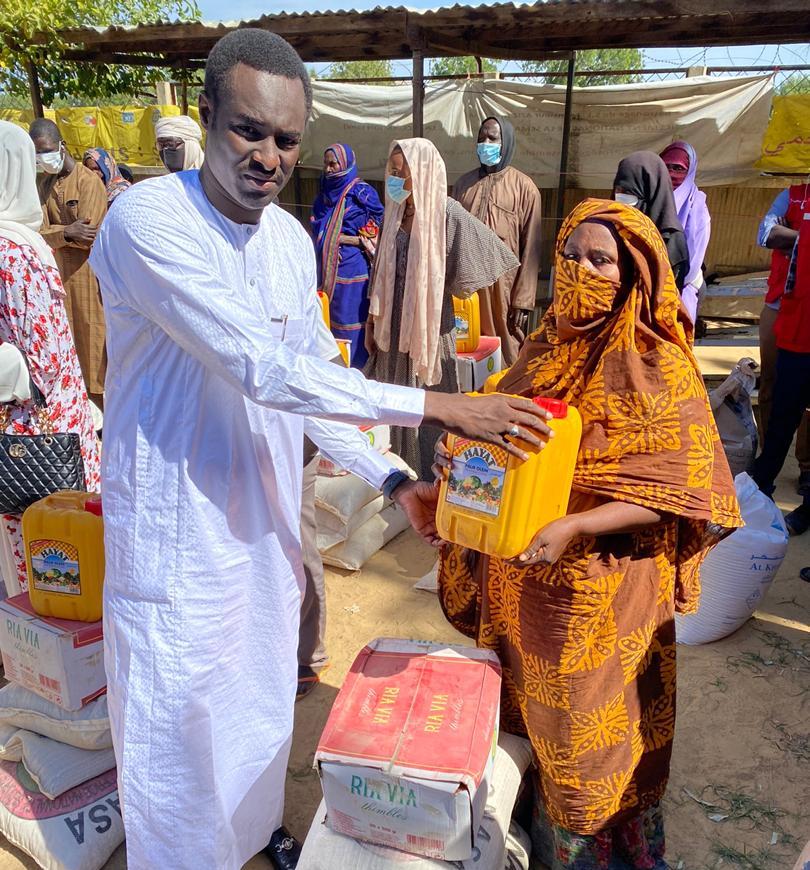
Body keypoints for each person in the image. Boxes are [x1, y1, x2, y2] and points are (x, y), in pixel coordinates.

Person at [89, 29, 552, 870]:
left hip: (264, 534)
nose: (269, 155)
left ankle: (251, 836)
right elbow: (260, 369)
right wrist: (440, 403)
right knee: (180, 740)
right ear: (207, 116)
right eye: (248, 130)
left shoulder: (287, 241)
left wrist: (393, 473)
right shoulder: (147, 221)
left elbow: (309, 380)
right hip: (178, 541)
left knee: (258, 712)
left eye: (287, 139)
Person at [436, 198, 741, 870]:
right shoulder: (545, 345)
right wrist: (458, 459)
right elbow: (500, 436)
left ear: (632, 274)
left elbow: (683, 491)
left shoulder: (656, 362)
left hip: (602, 594)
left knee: (587, 743)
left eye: (599, 260)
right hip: (523, 580)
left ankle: (591, 855)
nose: (580, 271)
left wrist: (577, 522)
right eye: (571, 256)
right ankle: (520, 826)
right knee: (523, 714)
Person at [365, 137, 520, 479]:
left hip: (429, 336)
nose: (392, 178)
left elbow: (487, 260)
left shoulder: (446, 214)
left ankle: (434, 485)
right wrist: (372, 325)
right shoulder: (393, 213)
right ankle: (395, 481)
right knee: (390, 410)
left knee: (430, 414)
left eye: (399, 172)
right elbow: (379, 275)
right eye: (390, 170)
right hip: (391, 338)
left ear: (421, 172)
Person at [0, 121, 100, 595]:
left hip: (34, 430)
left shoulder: (11, 247)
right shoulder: (19, 247)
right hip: (50, 429)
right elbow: (45, 359)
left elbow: (38, 359)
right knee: (61, 560)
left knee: (43, 561)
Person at [29, 118, 108, 409]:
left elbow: (89, 236)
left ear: (62, 146)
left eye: (47, 151)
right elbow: (34, 231)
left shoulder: (89, 183)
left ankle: (103, 418)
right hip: (57, 280)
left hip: (88, 279)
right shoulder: (44, 185)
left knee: (94, 347)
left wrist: (56, 235)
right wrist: (65, 232)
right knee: (66, 347)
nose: (43, 159)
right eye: (37, 155)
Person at [453, 115, 542, 365]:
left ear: (507, 143)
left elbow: (531, 250)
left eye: (492, 138)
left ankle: (501, 399)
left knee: (506, 351)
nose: (486, 143)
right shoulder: (463, 185)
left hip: (503, 289)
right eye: (481, 138)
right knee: (465, 346)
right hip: (466, 287)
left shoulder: (525, 188)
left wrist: (523, 301)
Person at [753, 207, 810, 534]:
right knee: (781, 419)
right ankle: (758, 490)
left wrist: (794, 238)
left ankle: (807, 505)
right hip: (796, 335)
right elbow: (769, 236)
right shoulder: (796, 201)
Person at [311, 144, 383, 367]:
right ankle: (336, 370)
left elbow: (379, 222)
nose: (329, 169)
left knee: (353, 323)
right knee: (330, 322)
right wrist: (328, 245)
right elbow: (317, 226)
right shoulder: (323, 196)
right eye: (326, 164)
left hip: (354, 270)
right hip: (327, 269)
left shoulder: (362, 193)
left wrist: (349, 241)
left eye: (334, 164)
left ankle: (360, 371)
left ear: (346, 164)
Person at [613, 150, 689, 293]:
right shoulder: (610, 225)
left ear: (651, 191)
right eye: (619, 190)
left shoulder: (671, 240)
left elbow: (669, 297)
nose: (621, 198)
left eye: (630, 194)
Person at [659, 141, 711, 323]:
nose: (671, 173)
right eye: (666, 167)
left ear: (689, 172)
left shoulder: (696, 207)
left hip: (680, 290)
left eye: (678, 168)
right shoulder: (649, 199)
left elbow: (692, 264)